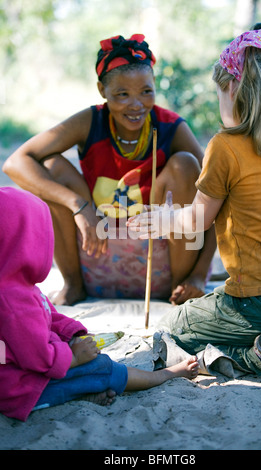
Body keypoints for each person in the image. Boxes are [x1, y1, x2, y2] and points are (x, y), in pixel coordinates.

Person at [128, 17, 261, 376]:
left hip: (260, 300)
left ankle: (256, 358)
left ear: (237, 91)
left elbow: (197, 220)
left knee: (174, 325)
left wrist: (162, 219)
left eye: (219, 93)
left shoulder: (226, 146)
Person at [3, 34, 216, 307]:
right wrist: (79, 205)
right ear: (102, 91)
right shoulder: (90, 121)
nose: (137, 105)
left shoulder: (171, 126)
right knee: (51, 166)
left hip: (164, 270)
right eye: (122, 94)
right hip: (96, 254)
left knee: (187, 164)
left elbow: (215, 198)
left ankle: (182, 288)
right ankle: (73, 285)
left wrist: (198, 275)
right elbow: (16, 162)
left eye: (146, 92)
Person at [0, 187, 199, 422]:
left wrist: (73, 334)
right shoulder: (12, 301)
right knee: (101, 367)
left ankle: (82, 392)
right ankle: (162, 376)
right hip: (18, 389)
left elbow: (49, 315)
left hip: (21, 367)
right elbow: (41, 359)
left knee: (85, 364)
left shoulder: (15, 284)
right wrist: (74, 357)